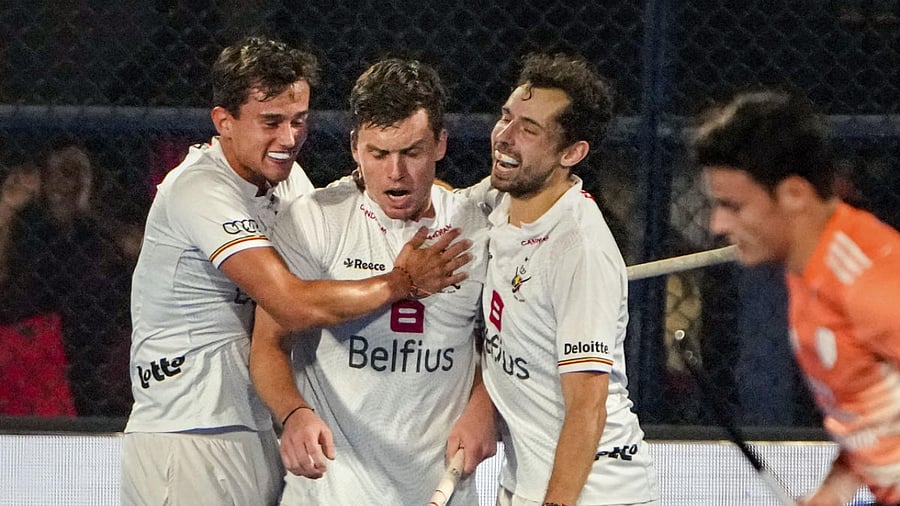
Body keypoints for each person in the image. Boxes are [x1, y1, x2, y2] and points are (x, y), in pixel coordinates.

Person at [121, 37, 471, 506]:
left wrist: (442, 196)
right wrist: (400, 283)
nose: (289, 139)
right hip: (188, 431)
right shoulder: (199, 189)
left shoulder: (286, 183)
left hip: (254, 427)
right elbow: (289, 303)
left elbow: (367, 189)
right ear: (224, 122)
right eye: (271, 122)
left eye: (298, 120)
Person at [249, 57, 497, 505]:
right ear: (354, 148)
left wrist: (485, 406)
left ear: (440, 144)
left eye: (412, 152)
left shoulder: (475, 229)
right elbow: (268, 344)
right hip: (331, 492)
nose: (395, 173)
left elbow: (500, 347)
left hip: (439, 488)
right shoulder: (315, 221)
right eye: (379, 154)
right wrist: (293, 413)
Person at [693, 90, 900, 506]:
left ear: (794, 194)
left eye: (733, 206)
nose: (718, 224)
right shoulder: (807, 271)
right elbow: (873, 420)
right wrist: (832, 494)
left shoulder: (869, 282)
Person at [477, 52, 659, 506]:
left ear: (571, 153)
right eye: (506, 117)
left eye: (529, 129)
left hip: (594, 493)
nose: (505, 137)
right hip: (526, 483)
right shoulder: (503, 203)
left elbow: (587, 408)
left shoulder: (579, 249)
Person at [0, 144, 136, 417]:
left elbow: (140, 246)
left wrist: (90, 209)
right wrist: (7, 207)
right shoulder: (29, 228)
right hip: (32, 349)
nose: (64, 182)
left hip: (94, 348)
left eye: (74, 174)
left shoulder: (101, 232)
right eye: (57, 172)